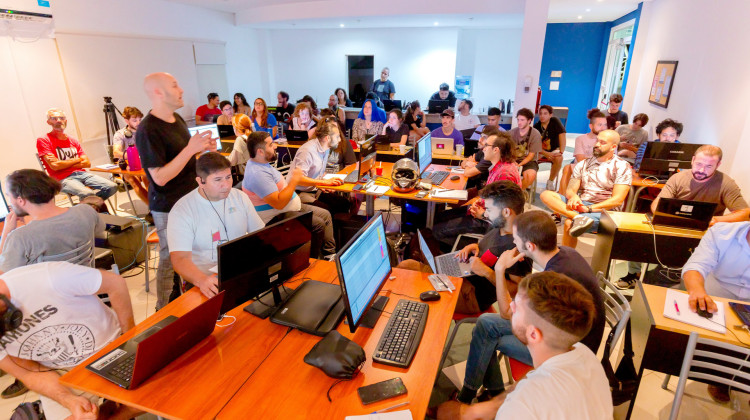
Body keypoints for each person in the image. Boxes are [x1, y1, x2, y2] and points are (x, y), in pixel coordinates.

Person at [452, 210, 606, 407]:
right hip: (573, 336)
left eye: (515, 239)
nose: (513, 244)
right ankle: (492, 392)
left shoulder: (551, 281)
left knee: (488, 334)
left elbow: (507, 314)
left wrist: (499, 270)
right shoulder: (568, 253)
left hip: (567, 354)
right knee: (485, 323)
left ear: (530, 246)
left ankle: (467, 399)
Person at [440, 271, 612, 419]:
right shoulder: (583, 353)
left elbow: (524, 399)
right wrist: (490, 406)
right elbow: (535, 374)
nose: (511, 306)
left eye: (518, 306)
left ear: (533, 334)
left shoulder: (521, 408)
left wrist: (466, 414)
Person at [0, 169, 105, 400]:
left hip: (47, 312)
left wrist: (7, 232)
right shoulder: (85, 212)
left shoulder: (21, 238)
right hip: (88, 294)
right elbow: (100, 233)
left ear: (20, 200)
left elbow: (5, 281)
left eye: (9, 197)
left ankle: (25, 373)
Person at [0, 261, 141, 420]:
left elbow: (115, 284)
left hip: (111, 349)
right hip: (59, 372)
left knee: (142, 400)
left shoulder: (47, 277)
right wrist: (69, 400)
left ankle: (116, 410)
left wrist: (130, 340)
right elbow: (30, 374)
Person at [136, 72, 217, 310]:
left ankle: (191, 299)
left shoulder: (178, 119)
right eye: (175, 85)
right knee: (171, 258)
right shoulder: (148, 130)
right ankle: (163, 310)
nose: (181, 90)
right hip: (169, 207)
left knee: (193, 254)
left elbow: (183, 161)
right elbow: (159, 178)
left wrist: (200, 150)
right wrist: (191, 149)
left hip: (191, 199)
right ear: (159, 92)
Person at [617, 145, 750, 289]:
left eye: (708, 166)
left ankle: (671, 277)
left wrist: (716, 220)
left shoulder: (726, 183)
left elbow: (744, 213)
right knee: (640, 237)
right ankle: (634, 274)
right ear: (692, 160)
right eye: (699, 164)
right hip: (675, 225)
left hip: (704, 232)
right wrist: (667, 215)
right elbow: (657, 205)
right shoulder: (678, 177)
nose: (701, 170)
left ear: (718, 165)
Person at [401, 181, 532, 313]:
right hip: (462, 275)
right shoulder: (500, 226)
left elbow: (517, 292)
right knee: (405, 267)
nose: (486, 214)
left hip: (470, 296)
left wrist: (486, 271)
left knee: (407, 285)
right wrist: (474, 246)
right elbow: (490, 248)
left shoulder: (518, 247)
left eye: (490, 210)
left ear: (506, 212)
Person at [168, 152, 264, 299]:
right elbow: (180, 259)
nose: (226, 185)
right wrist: (202, 280)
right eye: (218, 180)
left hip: (239, 270)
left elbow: (260, 234)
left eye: (228, 177)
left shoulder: (240, 197)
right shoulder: (183, 210)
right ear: (200, 182)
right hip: (203, 279)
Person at [682, 221, 750, 403]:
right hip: (715, 300)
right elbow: (695, 266)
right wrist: (697, 291)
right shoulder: (722, 233)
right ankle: (719, 377)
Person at [242, 131, 336, 258]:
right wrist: (294, 181)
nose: (275, 146)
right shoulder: (257, 174)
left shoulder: (262, 164)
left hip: (288, 207)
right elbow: (279, 203)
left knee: (325, 215)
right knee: (317, 224)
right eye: (271, 145)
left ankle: (329, 255)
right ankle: (312, 263)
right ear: (260, 151)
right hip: (275, 217)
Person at [541, 129, 632, 248]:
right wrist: (573, 196)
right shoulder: (583, 164)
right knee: (546, 195)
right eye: (597, 141)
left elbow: (617, 200)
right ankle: (578, 217)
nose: (597, 145)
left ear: (613, 147)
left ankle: (567, 258)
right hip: (582, 205)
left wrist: (589, 209)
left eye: (603, 142)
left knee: (569, 223)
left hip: (605, 211)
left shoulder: (621, 166)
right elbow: (571, 189)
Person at [432, 134, 520, 248]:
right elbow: (492, 199)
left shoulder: (504, 174)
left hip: (488, 222)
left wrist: (482, 214)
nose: (483, 148)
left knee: (436, 230)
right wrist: (478, 201)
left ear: (496, 150)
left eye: (486, 145)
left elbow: (504, 213)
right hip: (483, 211)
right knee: (439, 217)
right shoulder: (499, 167)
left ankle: (470, 249)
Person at [37, 109, 118, 201]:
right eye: (54, 118)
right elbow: (55, 166)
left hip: (82, 174)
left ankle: (87, 206)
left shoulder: (73, 140)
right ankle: (92, 207)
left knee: (112, 187)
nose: (59, 120)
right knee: (88, 194)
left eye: (61, 118)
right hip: (62, 178)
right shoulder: (44, 140)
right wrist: (77, 159)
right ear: (48, 122)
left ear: (65, 121)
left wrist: (63, 163)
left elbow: (87, 163)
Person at [287, 122, 352, 215]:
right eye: (337, 136)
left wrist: (328, 182)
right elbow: (298, 179)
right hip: (298, 192)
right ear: (327, 138)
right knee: (327, 210)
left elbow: (318, 172)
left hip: (314, 189)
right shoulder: (307, 151)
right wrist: (323, 183)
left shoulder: (325, 148)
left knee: (344, 203)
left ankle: (339, 228)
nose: (340, 139)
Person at [556, 109, 608, 205]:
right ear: (591, 126)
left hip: (601, 171)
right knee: (567, 168)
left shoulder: (610, 141)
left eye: (605, 124)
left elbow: (610, 160)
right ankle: (561, 204)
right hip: (582, 169)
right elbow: (580, 159)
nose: (603, 128)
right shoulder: (581, 139)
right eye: (599, 125)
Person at [111, 106, 150, 204]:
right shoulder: (119, 134)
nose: (138, 123)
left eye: (140, 120)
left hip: (144, 164)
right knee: (133, 179)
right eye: (134, 120)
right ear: (127, 121)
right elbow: (116, 152)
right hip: (127, 165)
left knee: (147, 177)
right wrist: (133, 156)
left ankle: (155, 206)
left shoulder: (145, 131)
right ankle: (152, 209)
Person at [533, 105, 566, 191]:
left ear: (550, 115)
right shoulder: (536, 126)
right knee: (531, 158)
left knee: (559, 158)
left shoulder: (555, 122)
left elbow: (562, 136)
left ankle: (550, 181)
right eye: (540, 114)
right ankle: (531, 180)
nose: (542, 116)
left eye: (545, 113)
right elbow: (535, 144)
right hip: (541, 151)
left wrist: (561, 152)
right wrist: (546, 153)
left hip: (554, 149)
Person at [508, 108, 542, 190]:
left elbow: (531, 155)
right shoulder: (511, 132)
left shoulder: (535, 134)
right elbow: (507, 150)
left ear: (529, 120)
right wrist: (513, 161)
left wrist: (519, 165)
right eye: (518, 120)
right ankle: (508, 192)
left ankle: (517, 192)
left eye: (522, 120)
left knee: (530, 175)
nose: (519, 122)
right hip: (512, 159)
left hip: (529, 161)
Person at [461, 125, 502, 190]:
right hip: (481, 190)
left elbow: (467, 173)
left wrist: (468, 165)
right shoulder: (483, 151)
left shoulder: (490, 156)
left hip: (486, 193)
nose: (480, 140)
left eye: (484, 138)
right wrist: (468, 163)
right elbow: (463, 162)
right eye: (481, 136)